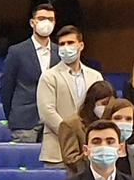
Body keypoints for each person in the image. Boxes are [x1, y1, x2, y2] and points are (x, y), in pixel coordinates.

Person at [38, 26, 101, 168]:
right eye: (62, 44)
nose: (66, 47)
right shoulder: (49, 76)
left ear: (81, 45)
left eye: (70, 43)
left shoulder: (95, 76)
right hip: (57, 151)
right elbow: (47, 112)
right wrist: (71, 135)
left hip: (91, 150)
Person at [0, 0, 58, 142]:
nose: (46, 22)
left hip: (54, 122)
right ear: (32, 23)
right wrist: (13, 116)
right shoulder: (17, 51)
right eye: (41, 18)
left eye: (50, 19)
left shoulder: (60, 52)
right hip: (24, 122)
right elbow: (6, 88)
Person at [56, 79, 121, 173]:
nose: (107, 108)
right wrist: (95, 153)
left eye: (110, 105)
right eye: (104, 104)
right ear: (92, 102)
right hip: (81, 178)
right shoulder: (71, 124)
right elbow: (71, 160)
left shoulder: (112, 123)